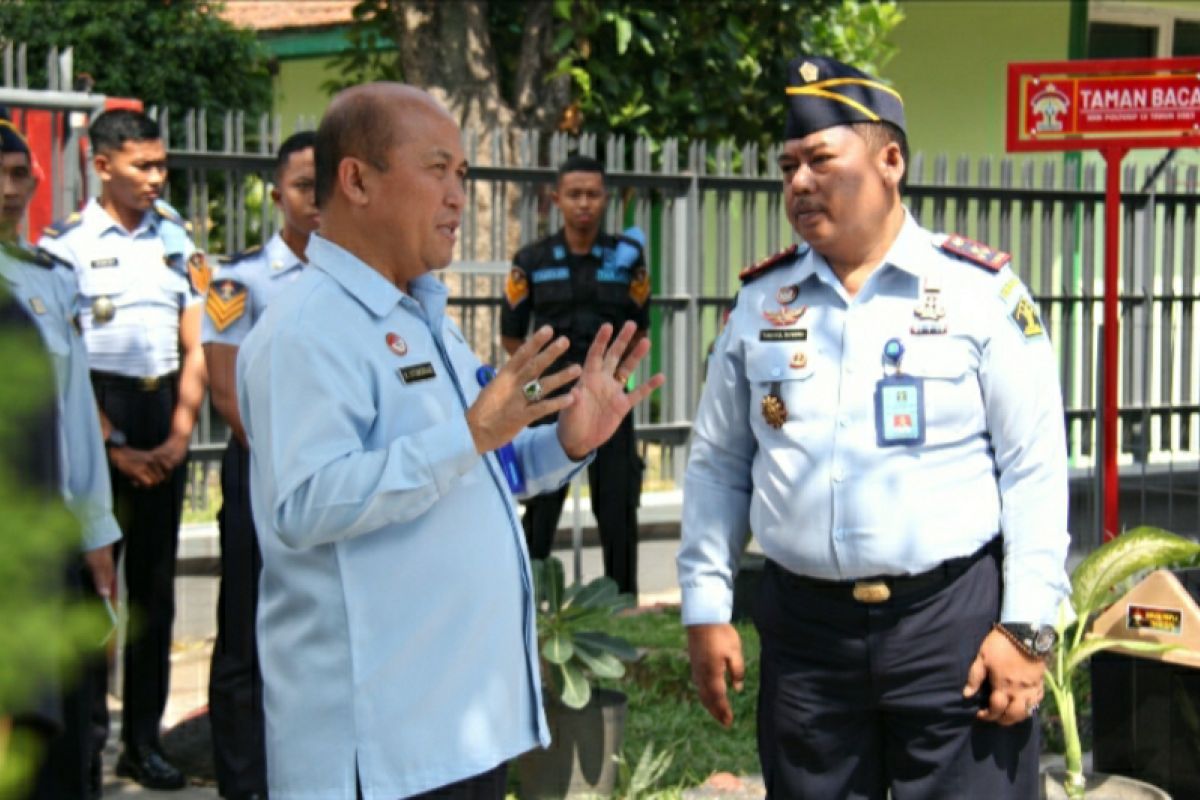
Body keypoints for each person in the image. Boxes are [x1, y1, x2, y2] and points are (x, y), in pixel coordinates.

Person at [237, 83, 662, 800]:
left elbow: (485, 467)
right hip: (376, 752)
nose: (459, 196)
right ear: (358, 180)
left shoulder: (427, 317)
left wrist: (566, 440)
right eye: (438, 169)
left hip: (459, 734)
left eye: (462, 174)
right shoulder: (307, 329)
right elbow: (305, 503)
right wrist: (470, 433)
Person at [678, 55, 1070, 799]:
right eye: (788, 165)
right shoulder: (763, 304)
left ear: (891, 160)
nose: (798, 183)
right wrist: (705, 606)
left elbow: (1035, 468)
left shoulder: (978, 293)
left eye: (821, 160)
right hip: (806, 641)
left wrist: (1026, 628)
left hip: (951, 630)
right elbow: (718, 464)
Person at [38, 108, 207, 791]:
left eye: (161, 164)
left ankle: (144, 743)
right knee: (92, 594)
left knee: (155, 597)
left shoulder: (176, 236)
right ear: (101, 165)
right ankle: (87, 744)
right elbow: (65, 362)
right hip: (97, 412)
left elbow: (199, 337)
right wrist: (110, 446)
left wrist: (178, 433)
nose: (156, 177)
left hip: (165, 407)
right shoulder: (67, 245)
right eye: (143, 165)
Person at [1, 117, 121, 800]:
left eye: (20, 175)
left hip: (55, 531)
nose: (10, 191)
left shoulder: (46, 281)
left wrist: (96, 528)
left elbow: (74, 416)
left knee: (71, 718)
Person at [203, 130, 318, 800]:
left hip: (328, 477)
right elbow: (226, 394)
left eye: (322, 186)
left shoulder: (350, 274)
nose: (314, 200)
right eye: (302, 187)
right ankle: (242, 782)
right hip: (261, 470)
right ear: (277, 194)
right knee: (245, 633)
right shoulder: (240, 280)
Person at [500, 155, 651, 594]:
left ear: (605, 199)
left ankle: (624, 602)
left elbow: (639, 328)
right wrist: (542, 381)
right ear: (556, 200)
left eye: (592, 194)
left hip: (608, 405)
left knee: (618, 504)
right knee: (542, 503)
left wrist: (612, 382)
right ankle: (527, 598)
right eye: (574, 194)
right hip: (553, 400)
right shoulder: (531, 260)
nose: (584, 203)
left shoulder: (626, 259)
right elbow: (513, 338)